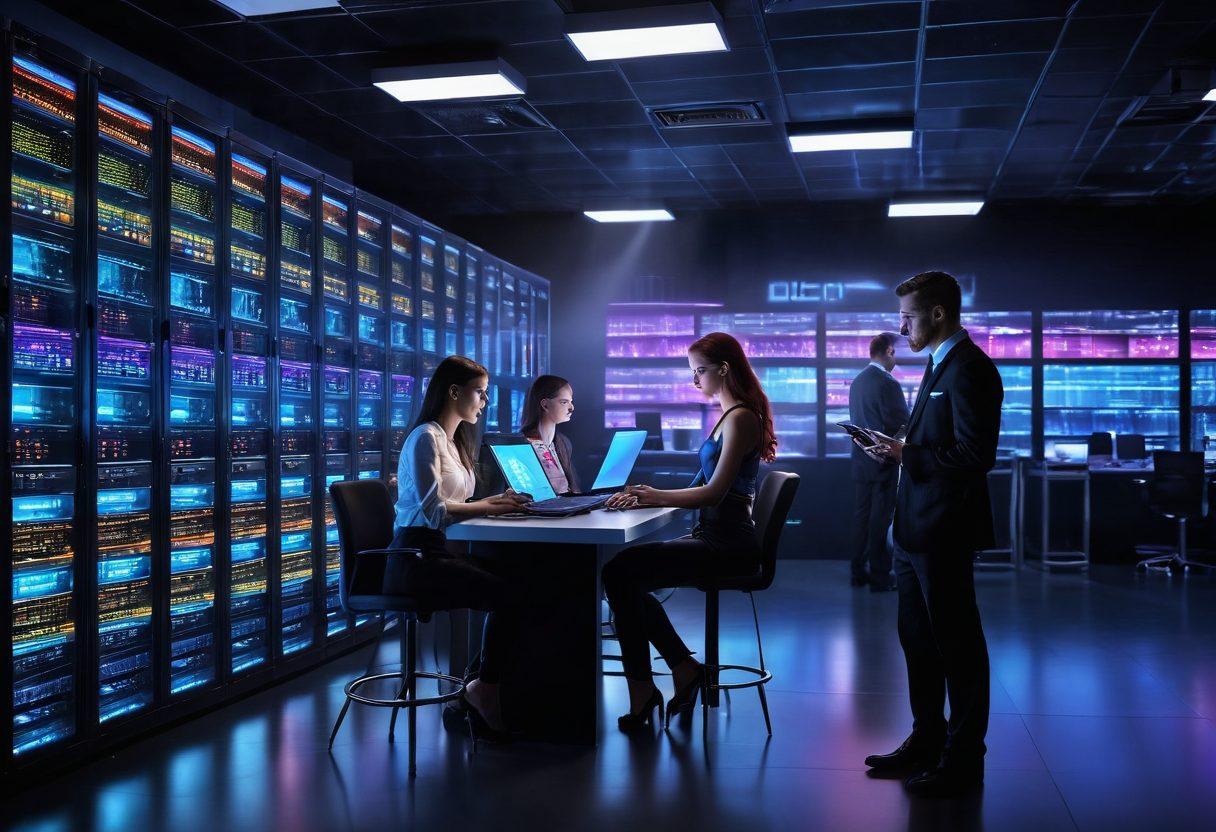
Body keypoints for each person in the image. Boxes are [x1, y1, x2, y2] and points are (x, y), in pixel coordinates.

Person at [860, 271, 1003, 798]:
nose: (901, 329)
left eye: (908, 317)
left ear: (938, 313)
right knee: (918, 642)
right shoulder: (938, 363)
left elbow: (975, 455)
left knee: (957, 646)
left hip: (943, 531)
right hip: (913, 531)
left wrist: (907, 453)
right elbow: (936, 442)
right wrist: (898, 448)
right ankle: (927, 741)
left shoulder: (970, 368)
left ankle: (963, 758)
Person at [601, 332, 778, 732]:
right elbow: (701, 484)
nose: (694, 380)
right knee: (623, 576)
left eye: (699, 371)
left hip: (728, 545)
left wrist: (655, 496)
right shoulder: (730, 416)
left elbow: (714, 493)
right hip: (715, 538)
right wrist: (646, 495)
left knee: (619, 573)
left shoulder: (741, 419)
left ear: (724, 369)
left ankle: (654, 685)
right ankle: (680, 669)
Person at [388, 355, 531, 735]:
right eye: (479, 392)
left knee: (519, 585)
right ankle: (481, 688)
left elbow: (457, 503)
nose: (485, 401)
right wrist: (488, 506)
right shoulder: (425, 438)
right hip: (415, 557)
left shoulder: (452, 442)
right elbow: (435, 512)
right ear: (454, 392)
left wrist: (494, 502)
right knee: (510, 595)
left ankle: (475, 687)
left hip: (437, 551)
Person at [849, 332, 910, 591]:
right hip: (884, 460)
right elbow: (903, 422)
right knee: (881, 519)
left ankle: (857, 572)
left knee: (862, 517)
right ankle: (880, 576)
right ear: (889, 351)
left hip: (861, 460)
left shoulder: (858, 381)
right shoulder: (888, 383)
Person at [519, 374, 581, 494]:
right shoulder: (521, 446)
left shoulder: (564, 443)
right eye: (564, 402)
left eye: (571, 402)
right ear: (545, 405)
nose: (571, 408)